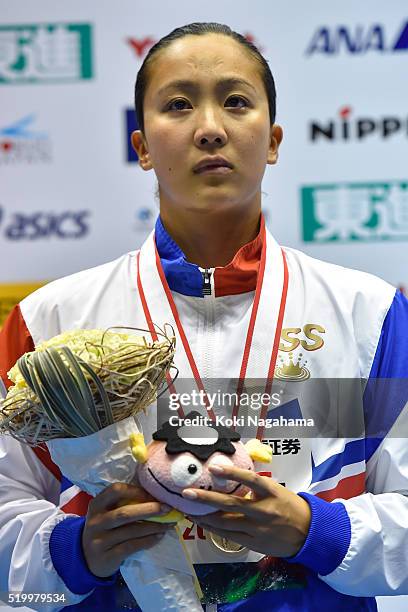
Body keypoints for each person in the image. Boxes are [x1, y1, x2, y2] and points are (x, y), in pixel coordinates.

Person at [1, 21, 408, 612]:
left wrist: (317, 533)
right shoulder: (50, 321)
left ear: (272, 140)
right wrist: (74, 549)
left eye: (236, 101)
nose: (210, 128)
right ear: (141, 146)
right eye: (179, 104)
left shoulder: (370, 314)